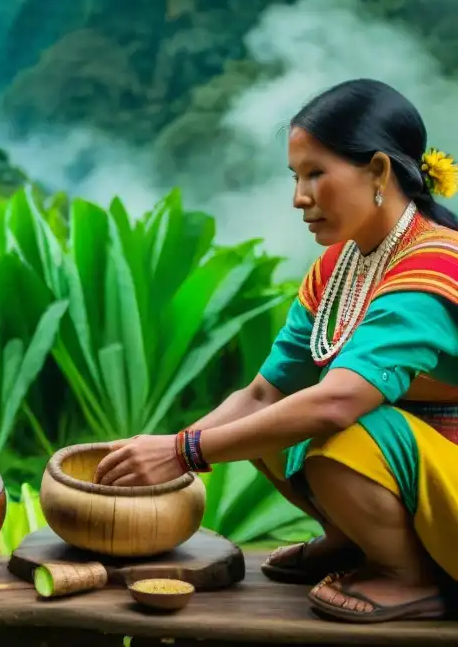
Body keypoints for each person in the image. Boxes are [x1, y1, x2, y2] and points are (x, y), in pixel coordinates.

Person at [93, 78, 458, 624]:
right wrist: (172, 450)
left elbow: (337, 402)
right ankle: (351, 541)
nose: (299, 198)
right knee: (270, 420)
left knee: (345, 430)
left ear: (379, 171)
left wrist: (187, 451)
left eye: (316, 174)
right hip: (417, 465)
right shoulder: (339, 268)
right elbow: (266, 391)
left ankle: (408, 575)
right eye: (295, 176)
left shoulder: (431, 267)